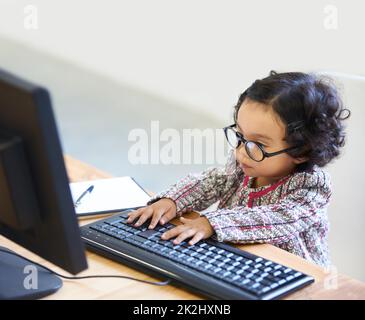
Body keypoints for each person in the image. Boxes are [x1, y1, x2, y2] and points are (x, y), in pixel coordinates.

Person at [127, 71, 350, 267]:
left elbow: (280, 217)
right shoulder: (246, 164)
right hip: (237, 263)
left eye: (258, 145)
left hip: (296, 278)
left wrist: (213, 222)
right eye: (241, 136)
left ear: (302, 151)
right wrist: (173, 201)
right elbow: (211, 181)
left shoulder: (312, 188)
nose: (241, 152)